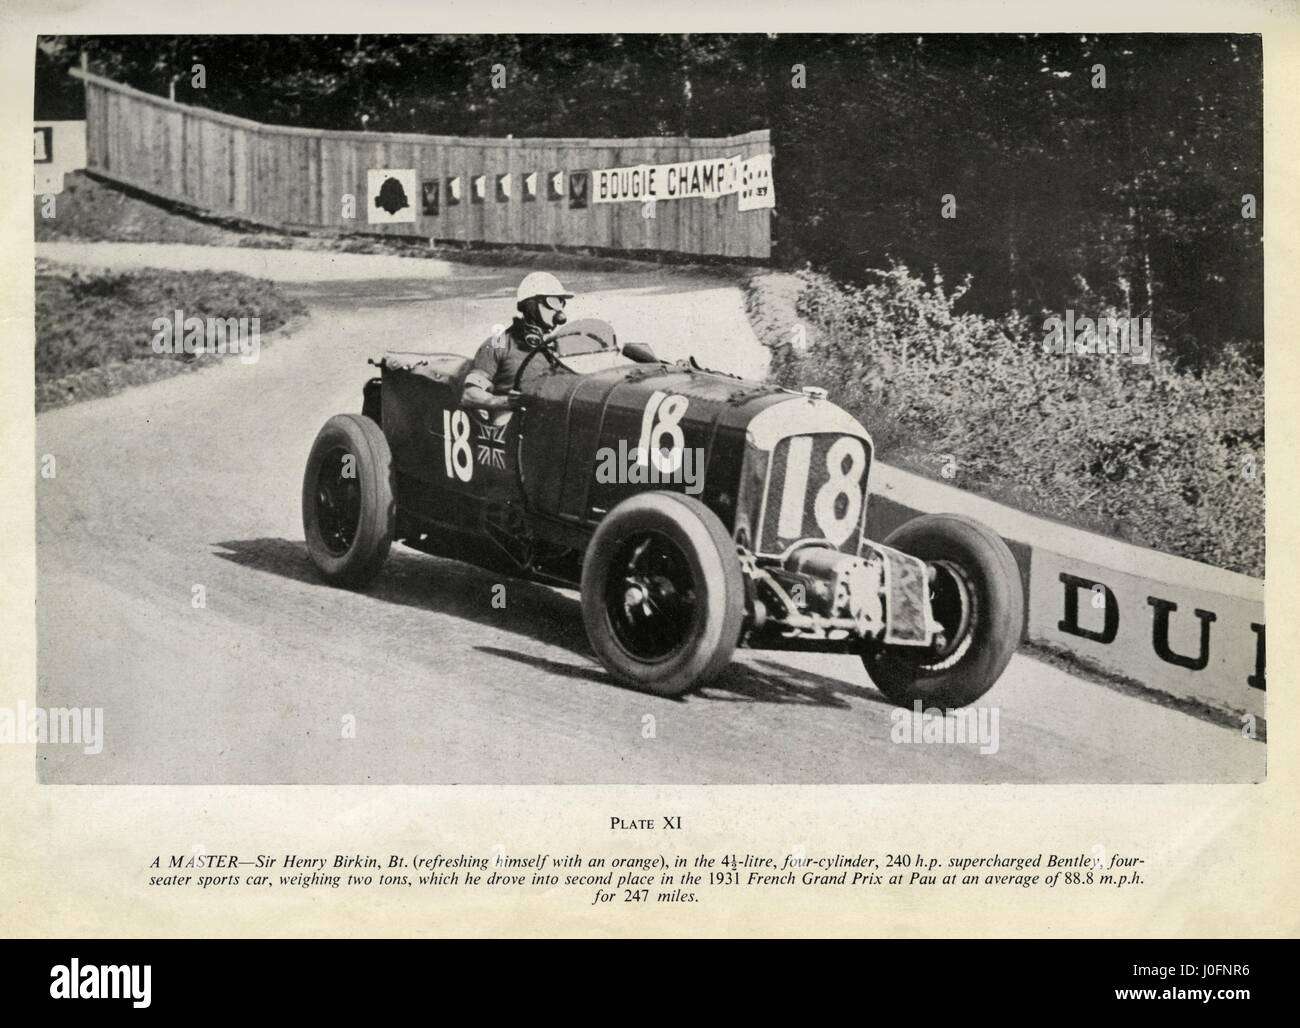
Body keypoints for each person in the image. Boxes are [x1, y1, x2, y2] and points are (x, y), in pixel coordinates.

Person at [461, 272, 574, 412]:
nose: (560, 312)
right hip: (513, 423)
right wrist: (507, 402)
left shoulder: (557, 346)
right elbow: (469, 395)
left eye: (561, 302)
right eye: (553, 302)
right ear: (531, 305)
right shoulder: (498, 344)